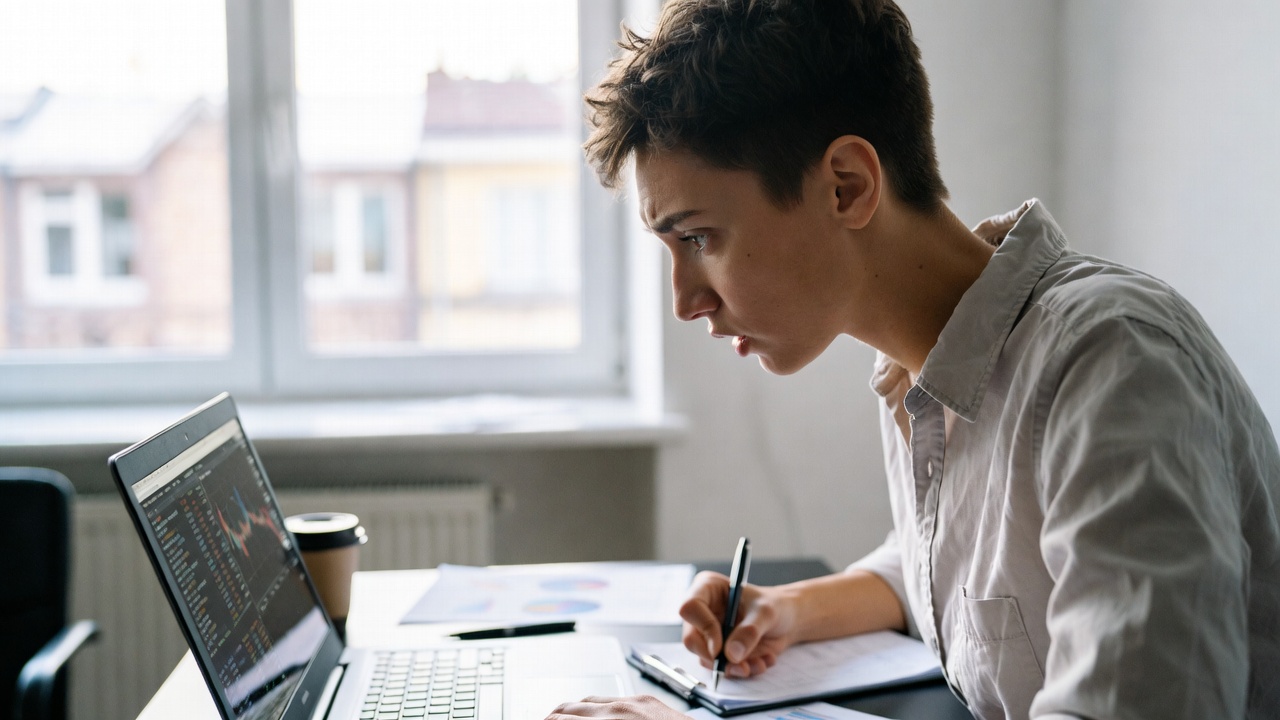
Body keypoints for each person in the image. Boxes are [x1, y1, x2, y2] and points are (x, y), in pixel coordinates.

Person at [548, 1, 1280, 719]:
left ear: (848, 186)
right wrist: (791, 610)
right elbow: (972, 567)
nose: (685, 301)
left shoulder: (1111, 364)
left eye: (698, 238)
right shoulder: (921, 373)